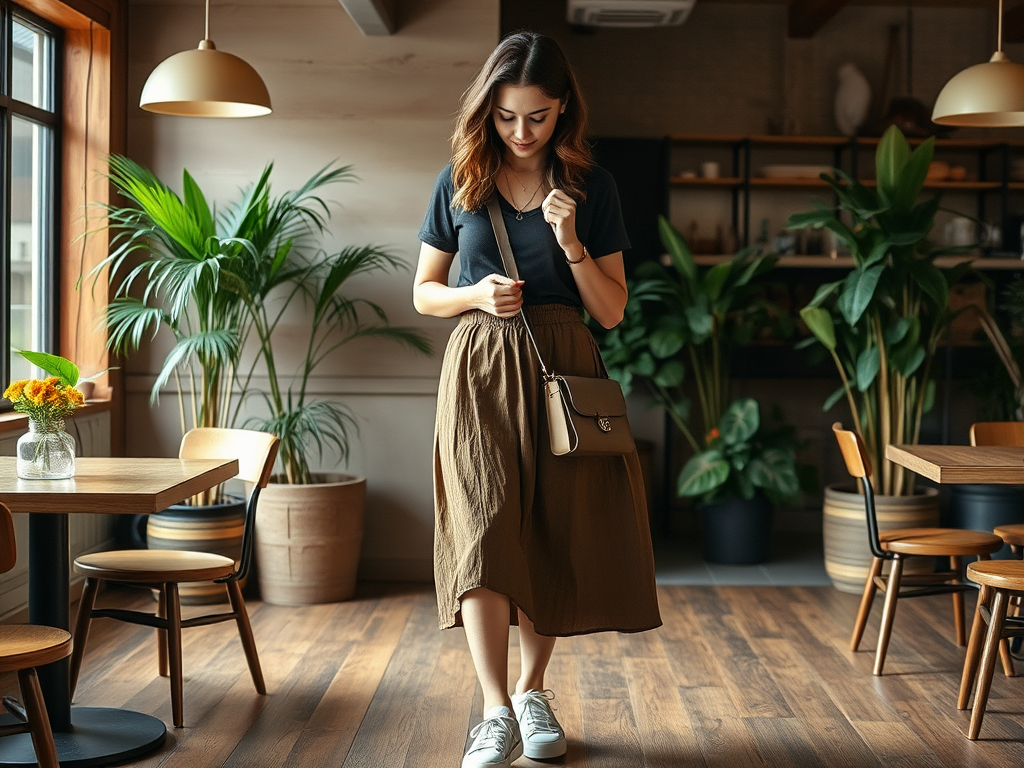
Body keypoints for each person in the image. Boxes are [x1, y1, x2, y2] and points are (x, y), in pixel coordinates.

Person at [413, 32, 661, 768]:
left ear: (564, 112)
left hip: (564, 366)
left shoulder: (593, 187)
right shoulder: (459, 180)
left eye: (539, 117)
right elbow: (424, 294)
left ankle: (532, 690)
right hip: (481, 369)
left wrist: (571, 240)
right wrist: (473, 294)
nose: (522, 133)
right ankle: (493, 709)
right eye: (508, 116)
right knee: (485, 530)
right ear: (487, 110)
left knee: (553, 529)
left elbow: (612, 312)